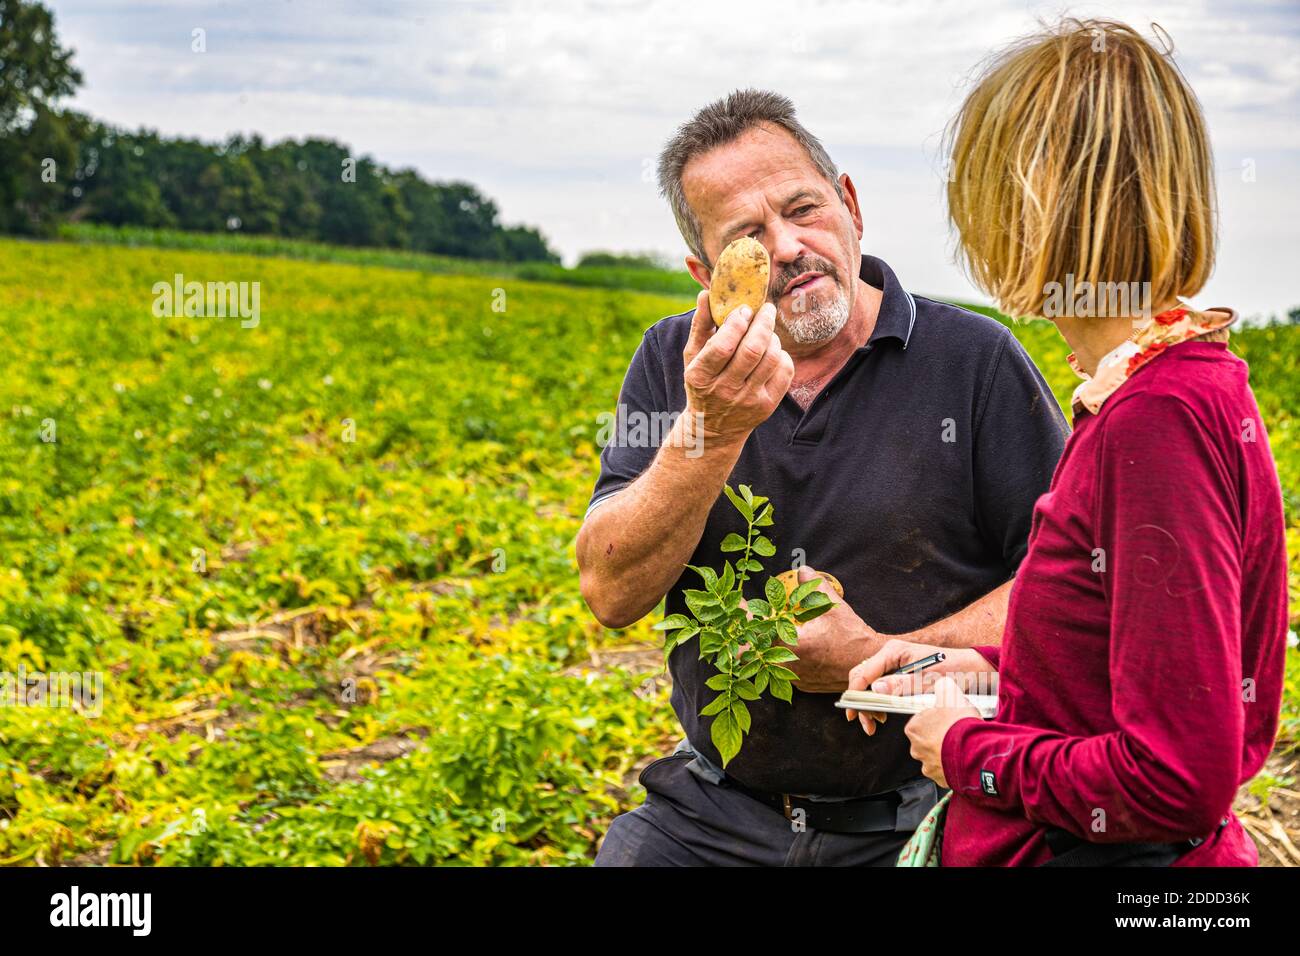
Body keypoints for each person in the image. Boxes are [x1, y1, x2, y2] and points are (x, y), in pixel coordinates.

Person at [576, 89, 1069, 866]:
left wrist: (876, 655)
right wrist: (713, 428)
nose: (788, 245)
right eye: (747, 236)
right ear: (706, 273)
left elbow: (1066, 591)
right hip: (715, 809)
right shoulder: (675, 365)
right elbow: (612, 591)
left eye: (803, 208)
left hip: (928, 801)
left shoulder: (975, 360)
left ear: (850, 205)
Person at [848, 19, 1289, 867]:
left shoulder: (1157, 422)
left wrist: (969, 755)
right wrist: (962, 670)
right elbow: (1104, 680)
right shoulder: (1176, 385)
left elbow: (1173, 779)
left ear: (1037, 203)